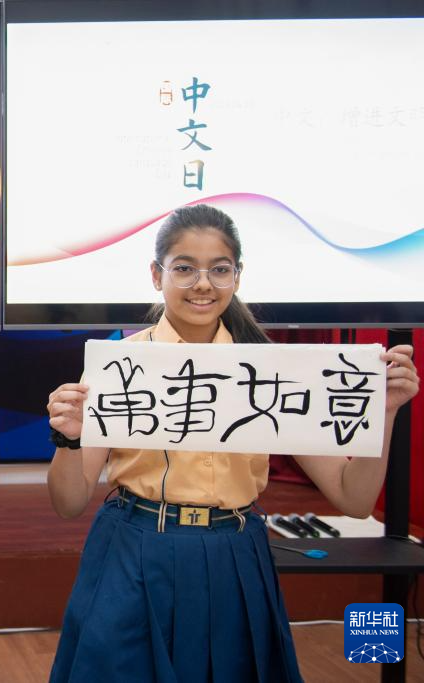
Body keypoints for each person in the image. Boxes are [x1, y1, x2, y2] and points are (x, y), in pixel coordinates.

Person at [45, 204, 419, 682]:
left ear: (237, 276)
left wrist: (384, 414)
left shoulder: (273, 369)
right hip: (133, 552)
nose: (203, 284)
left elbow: (354, 497)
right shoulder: (116, 364)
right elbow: (69, 502)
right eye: (184, 268)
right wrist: (68, 439)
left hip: (233, 556)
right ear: (157, 275)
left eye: (219, 270)